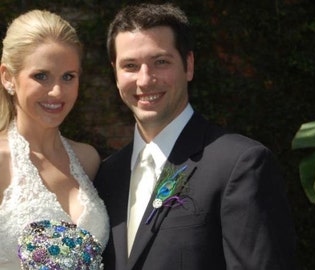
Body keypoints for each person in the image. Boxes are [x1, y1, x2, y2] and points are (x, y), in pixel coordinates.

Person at [95, 3, 296, 270]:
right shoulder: (107, 175)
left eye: (160, 62)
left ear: (188, 65)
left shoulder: (240, 165)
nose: (144, 80)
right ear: (116, 74)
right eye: (130, 66)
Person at [0, 10, 109, 269]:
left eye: (68, 77)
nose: (57, 92)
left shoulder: (88, 159)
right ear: (8, 77)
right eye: (41, 76)